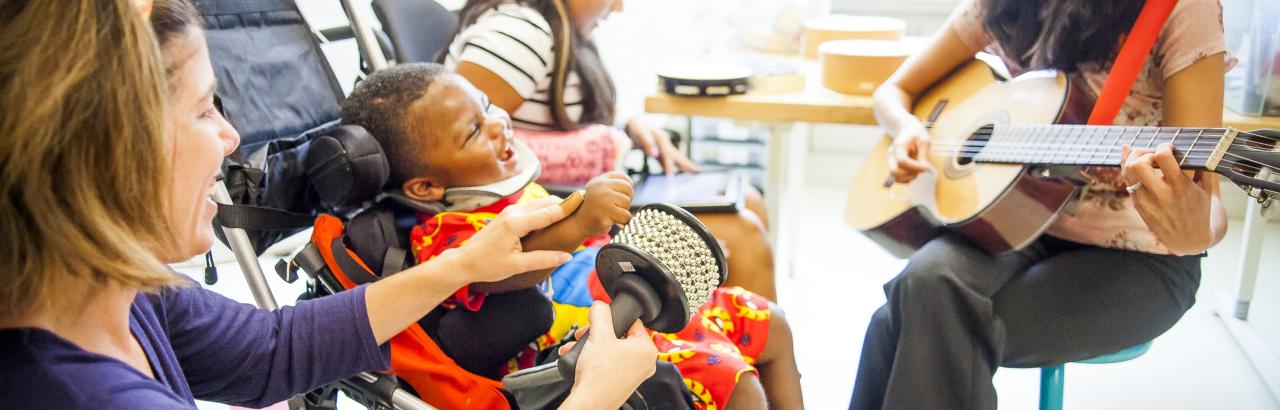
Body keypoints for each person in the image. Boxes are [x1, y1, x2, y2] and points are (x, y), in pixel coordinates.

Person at [0, 0, 656, 408]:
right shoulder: (75, 392)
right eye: (205, 111)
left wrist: (461, 266)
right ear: (106, 154)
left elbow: (270, 351)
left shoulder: (118, 295)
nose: (231, 140)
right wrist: (592, 398)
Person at [341, 62, 805, 410]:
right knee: (739, 386)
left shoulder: (515, 188)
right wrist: (580, 222)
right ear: (427, 187)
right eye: (474, 132)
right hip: (582, 346)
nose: (499, 124)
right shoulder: (444, 236)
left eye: (486, 107)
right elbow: (496, 269)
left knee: (774, 324)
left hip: (633, 304)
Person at [850, 0, 1231, 408]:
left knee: (916, 315)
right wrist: (908, 127)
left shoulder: (1183, 9)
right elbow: (894, 90)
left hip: (1141, 260)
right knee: (924, 282)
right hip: (1014, 223)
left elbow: (1206, 204)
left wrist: (1195, 232)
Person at [441, 0, 781, 299]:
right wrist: (604, 150)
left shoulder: (554, 27)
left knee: (749, 200)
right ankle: (739, 353)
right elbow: (455, 153)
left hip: (584, 190)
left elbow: (552, 113)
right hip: (560, 206)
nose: (618, 6)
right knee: (744, 234)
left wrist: (627, 123)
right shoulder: (519, 34)